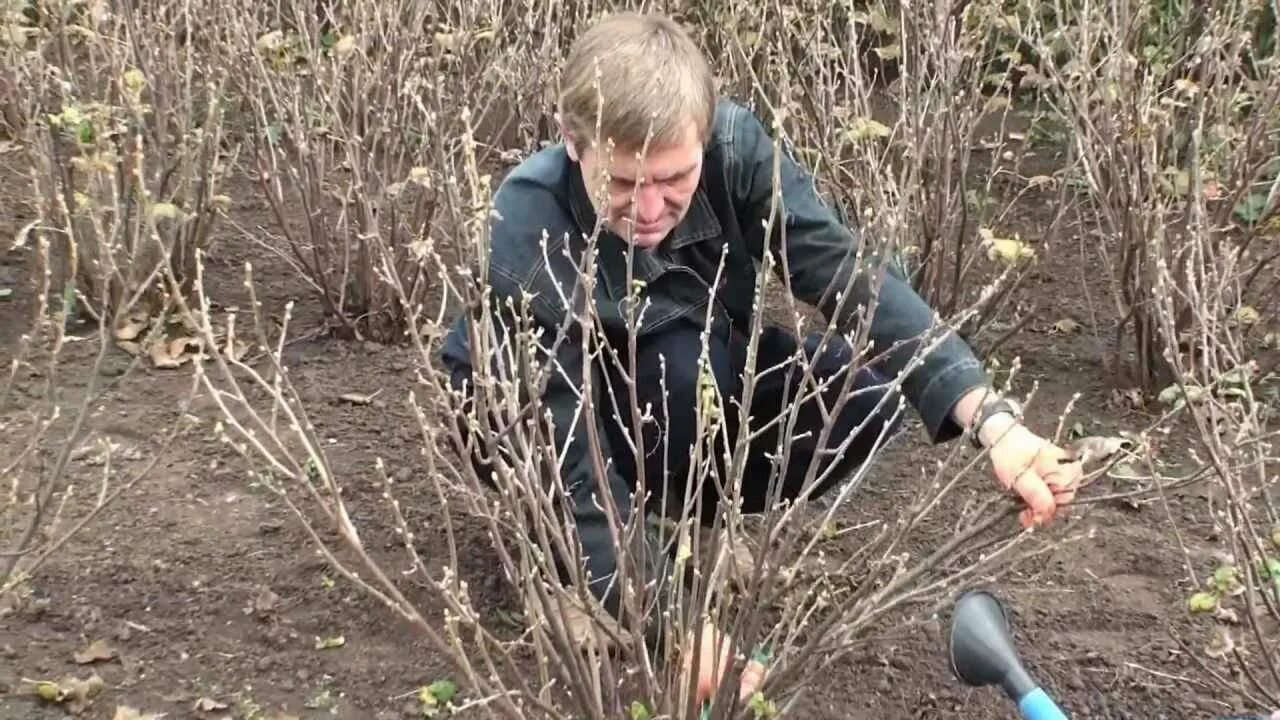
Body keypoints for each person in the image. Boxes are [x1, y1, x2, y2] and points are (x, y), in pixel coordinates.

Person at [440, 10, 1083, 704]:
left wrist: (994, 421)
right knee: (672, 376)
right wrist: (671, 626)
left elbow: (851, 280)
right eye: (624, 184)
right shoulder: (528, 221)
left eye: (674, 177)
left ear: (704, 136)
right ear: (573, 142)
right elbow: (565, 448)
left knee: (860, 396)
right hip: (543, 416)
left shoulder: (735, 151)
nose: (652, 208)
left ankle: (679, 526)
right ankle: (577, 576)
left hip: (684, 380)